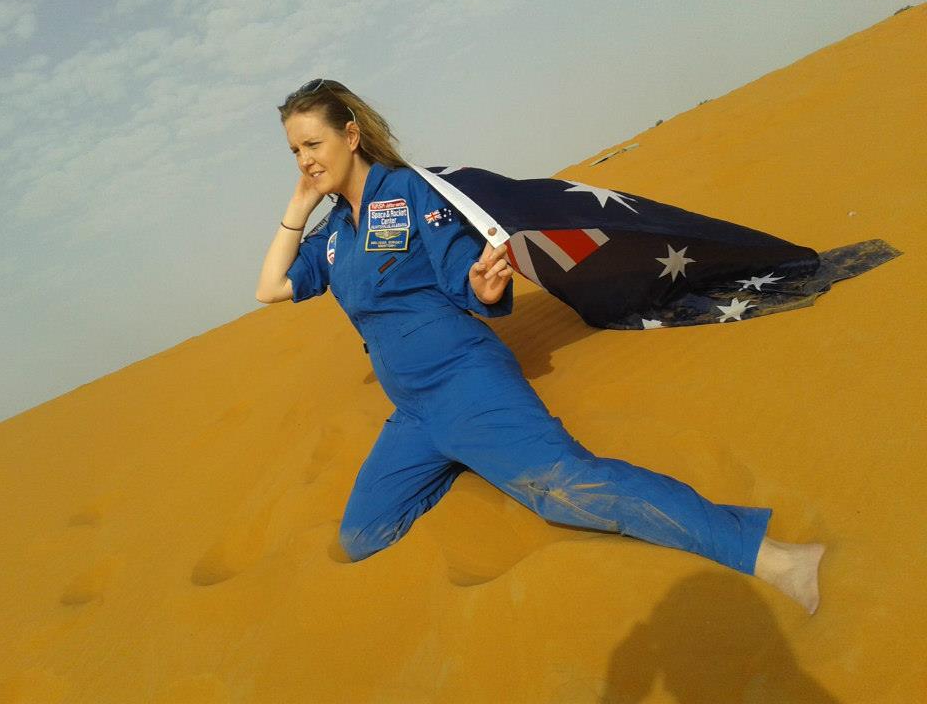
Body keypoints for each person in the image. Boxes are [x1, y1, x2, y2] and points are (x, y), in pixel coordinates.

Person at [255, 79, 825, 614]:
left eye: (313, 143)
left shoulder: (411, 192)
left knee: (564, 489)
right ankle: (465, 456)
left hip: (466, 385)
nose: (305, 160)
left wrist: (481, 285)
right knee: (361, 535)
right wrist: (300, 206)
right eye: (294, 151)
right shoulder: (333, 233)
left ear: (351, 136)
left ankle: (768, 553)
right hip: (413, 414)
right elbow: (271, 288)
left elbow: (462, 273)